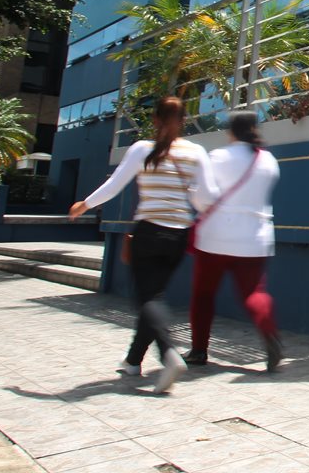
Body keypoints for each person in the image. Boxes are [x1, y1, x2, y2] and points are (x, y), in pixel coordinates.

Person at [69, 96, 218, 393]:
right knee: (154, 297)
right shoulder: (196, 152)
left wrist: (85, 204)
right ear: (184, 121)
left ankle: (169, 354)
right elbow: (207, 199)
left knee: (148, 299)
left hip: (149, 232)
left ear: (155, 119)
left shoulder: (142, 149)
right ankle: (133, 360)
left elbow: (114, 185)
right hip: (179, 235)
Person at [184, 111, 283, 372]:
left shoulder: (218, 156)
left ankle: (198, 350)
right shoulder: (268, 160)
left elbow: (203, 197)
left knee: (203, 294)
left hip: (215, 237)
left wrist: (196, 199)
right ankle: (269, 331)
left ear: (231, 131)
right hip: (255, 238)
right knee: (254, 292)